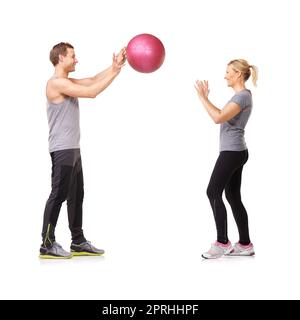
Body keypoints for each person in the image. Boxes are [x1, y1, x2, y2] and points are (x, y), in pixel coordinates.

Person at [40, 42, 126, 259]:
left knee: (77, 196)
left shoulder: (66, 81)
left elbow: (92, 80)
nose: (76, 59)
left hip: (74, 149)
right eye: (72, 56)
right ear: (61, 58)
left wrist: (113, 67)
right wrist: (115, 72)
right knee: (58, 195)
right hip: (62, 150)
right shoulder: (56, 84)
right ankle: (47, 243)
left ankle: (77, 241)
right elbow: (91, 92)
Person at [195, 59, 258, 259]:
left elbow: (218, 117)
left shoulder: (241, 97)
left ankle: (222, 242)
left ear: (238, 74)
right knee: (232, 197)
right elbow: (222, 114)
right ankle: (245, 244)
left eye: (229, 72)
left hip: (232, 152)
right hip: (236, 151)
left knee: (213, 191)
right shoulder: (241, 97)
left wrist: (203, 98)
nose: (225, 75)